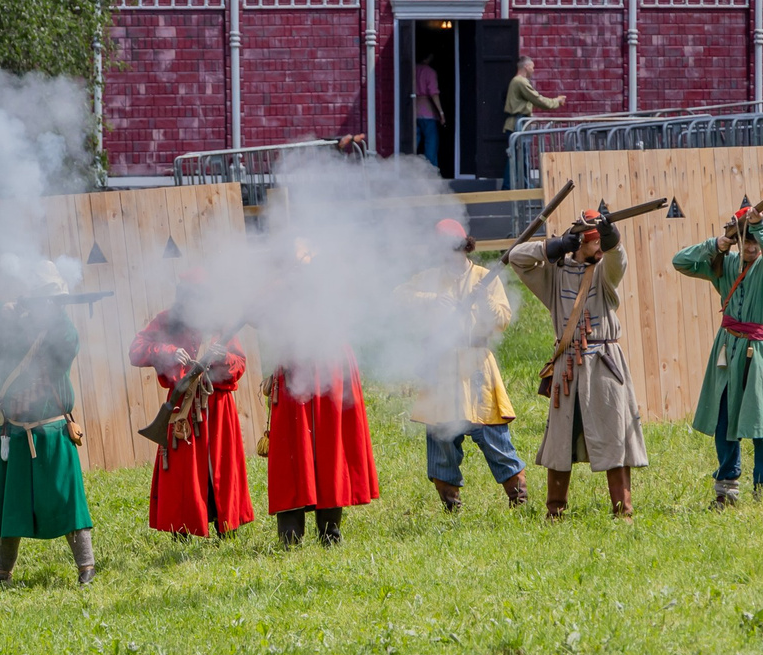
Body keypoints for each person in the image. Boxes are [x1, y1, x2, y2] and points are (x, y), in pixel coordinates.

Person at [0, 261, 96, 586]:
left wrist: (51, 309)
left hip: (52, 430)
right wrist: (3, 309)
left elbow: (68, 340)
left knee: (67, 500)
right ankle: (3, 573)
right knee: (11, 507)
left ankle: (86, 567)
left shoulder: (58, 333)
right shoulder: (6, 336)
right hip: (15, 432)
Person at [508, 209, 647, 518]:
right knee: (560, 442)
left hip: (603, 365)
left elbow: (617, 262)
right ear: (580, 242)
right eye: (595, 241)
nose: (600, 248)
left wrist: (611, 238)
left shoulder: (604, 273)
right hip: (567, 365)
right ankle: (555, 511)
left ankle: (622, 511)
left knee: (614, 438)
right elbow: (516, 256)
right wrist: (554, 246)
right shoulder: (554, 274)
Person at [403, 220, 531, 513]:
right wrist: (434, 300)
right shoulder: (430, 280)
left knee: (494, 439)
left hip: (477, 367)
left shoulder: (486, 277)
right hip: (441, 368)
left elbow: (502, 320)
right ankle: (451, 510)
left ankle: (519, 503)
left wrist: (483, 297)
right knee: (442, 445)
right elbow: (400, 298)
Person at [262, 244, 378, 546]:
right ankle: (290, 535)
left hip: (330, 367)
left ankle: (330, 531)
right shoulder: (278, 288)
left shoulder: (331, 283)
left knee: (330, 449)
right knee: (291, 452)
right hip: (293, 369)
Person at [673, 204, 763, 506]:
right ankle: (726, 490)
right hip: (726, 349)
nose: (750, 246)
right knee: (723, 421)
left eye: (755, 241)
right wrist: (716, 245)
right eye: (745, 239)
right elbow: (680, 262)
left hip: (757, 352)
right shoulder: (726, 264)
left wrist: (760, 226)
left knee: (761, 423)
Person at [129, 273, 255, 539]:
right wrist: (167, 351)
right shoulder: (167, 321)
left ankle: (226, 527)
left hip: (218, 408)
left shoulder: (222, 324)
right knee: (182, 473)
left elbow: (239, 364)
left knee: (221, 467)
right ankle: (182, 528)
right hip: (181, 406)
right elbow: (136, 349)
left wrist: (223, 359)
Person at [503, 57, 567, 131]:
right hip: (518, 124)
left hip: (516, 123)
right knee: (521, 142)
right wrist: (557, 101)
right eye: (532, 67)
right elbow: (537, 100)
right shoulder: (520, 82)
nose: (533, 70)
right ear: (526, 67)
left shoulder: (516, 81)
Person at [412, 59, 447, 171]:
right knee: (431, 143)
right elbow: (433, 93)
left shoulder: (412, 69)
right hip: (428, 111)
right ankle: (430, 171)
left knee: (413, 143)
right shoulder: (430, 72)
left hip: (414, 111)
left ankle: (409, 168)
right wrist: (441, 112)